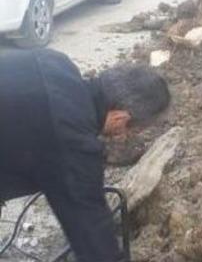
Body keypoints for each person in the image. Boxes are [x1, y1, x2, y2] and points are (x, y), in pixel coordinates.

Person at [0, 49, 171, 261]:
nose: (123, 137)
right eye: (130, 130)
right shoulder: (72, 140)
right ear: (120, 117)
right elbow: (92, 233)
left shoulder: (54, 61)